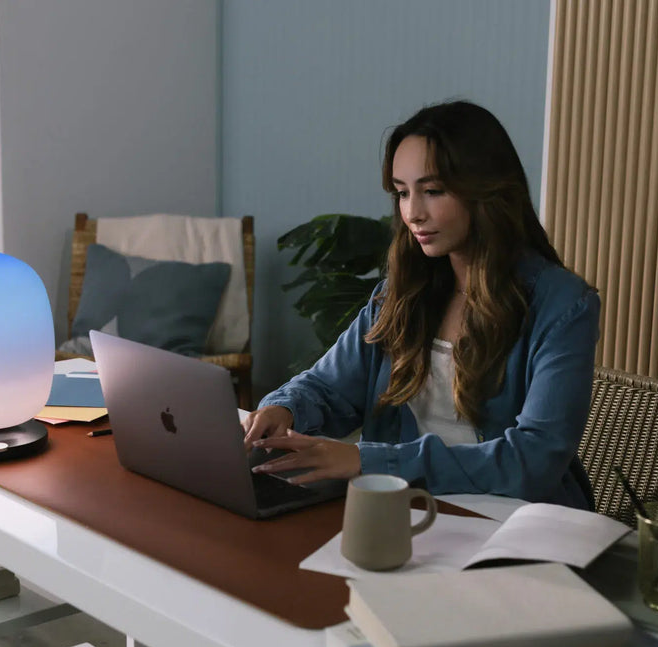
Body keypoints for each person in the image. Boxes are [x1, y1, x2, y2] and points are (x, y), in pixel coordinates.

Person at [243, 100, 600, 509]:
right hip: (415, 512)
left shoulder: (564, 306)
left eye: (432, 191)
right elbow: (327, 387)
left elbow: (533, 462)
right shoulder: (403, 292)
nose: (413, 213)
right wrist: (282, 408)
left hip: (518, 523)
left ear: (486, 190)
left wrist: (368, 459)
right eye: (401, 193)